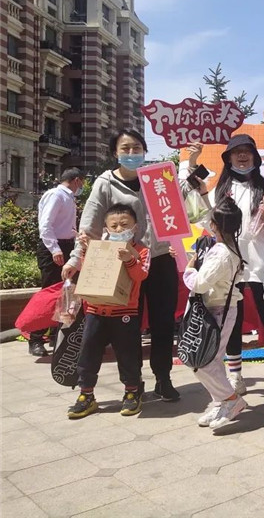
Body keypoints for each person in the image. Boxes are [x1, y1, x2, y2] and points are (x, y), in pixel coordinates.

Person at [63, 130, 182, 401]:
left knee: (164, 322)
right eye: (125, 148)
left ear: (144, 151)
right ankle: (133, 383)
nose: (131, 153)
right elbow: (90, 227)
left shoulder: (157, 179)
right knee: (128, 326)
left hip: (160, 259)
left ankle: (163, 378)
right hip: (124, 263)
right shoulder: (105, 183)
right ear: (115, 153)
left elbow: (178, 212)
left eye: (136, 148)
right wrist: (75, 259)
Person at [186, 137, 264, 399]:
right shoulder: (220, 189)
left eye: (247, 152)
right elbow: (208, 221)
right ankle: (235, 376)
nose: (241, 156)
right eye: (236, 152)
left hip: (261, 262)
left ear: (255, 157)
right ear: (227, 158)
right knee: (231, 320)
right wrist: (198, 182)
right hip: (229, 264)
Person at [67, 204, 149, 419]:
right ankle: (86, 394)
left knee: (128, 354)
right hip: (95, 310)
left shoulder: (141, 250)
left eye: (125, 224)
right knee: (88, 353)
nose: (119, 229)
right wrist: (85, 250)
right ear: (106, 228)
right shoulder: (100, 247)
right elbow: (89, 271)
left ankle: (132, 392)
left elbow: (141, 275)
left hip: (125, 312)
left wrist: (129, 260)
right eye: (114, 226)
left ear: (135, 226)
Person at [183, 198, 247, 429]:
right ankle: (221, 401)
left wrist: (189, 269)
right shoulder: (227, 248)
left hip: (218, 311)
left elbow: (199, 283)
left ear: (215, 225)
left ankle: (231, 399)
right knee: (209, 359)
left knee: (203, 361)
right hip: (218, 309)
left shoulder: (221, 253)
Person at [32, 167, 84, 356]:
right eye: (82, 183)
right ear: (77, 180)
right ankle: (36, 338)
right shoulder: (56, 195)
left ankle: (58, 335)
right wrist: (54, 249)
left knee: (67, 293)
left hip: (67, 246)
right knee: (50, 292)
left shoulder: (69, 198)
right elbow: (45, 225)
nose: (82, 187)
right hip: (54, 247)